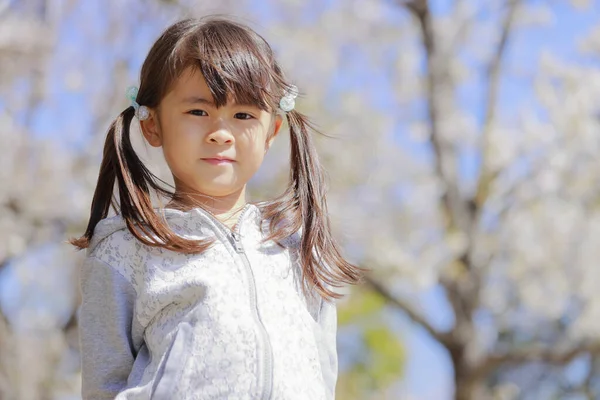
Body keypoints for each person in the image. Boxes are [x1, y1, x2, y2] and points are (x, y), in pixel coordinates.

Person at [70, 16, 364, 400]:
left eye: (243, 115)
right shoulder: (127, 250)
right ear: (152, 124)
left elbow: (323, 375)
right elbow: (103, 384)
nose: (220, 132)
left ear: (271, 131)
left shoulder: (296, 248)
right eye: (198, 112)